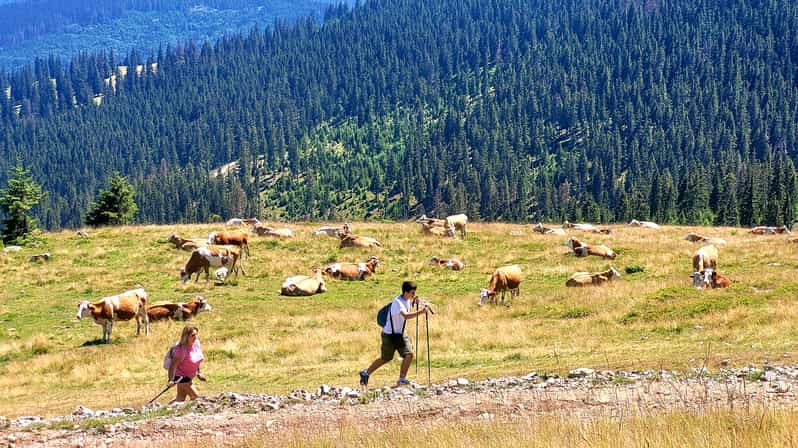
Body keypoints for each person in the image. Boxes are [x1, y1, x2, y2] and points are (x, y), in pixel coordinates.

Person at [360, 281, 429, 387]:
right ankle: (365, 373)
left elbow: (408, 305)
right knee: (385, 358)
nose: (413, 295)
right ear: (405, 292)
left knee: (409, 354)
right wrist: (421, 312)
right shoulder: (397, 302)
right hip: (389, 335)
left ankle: (402, 378)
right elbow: (405, 316)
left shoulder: (406, 300)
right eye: (412, 293)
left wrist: (415, 301)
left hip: (400, 333)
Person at [167, 325, 206, 404]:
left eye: (196, 334)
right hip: (181, 378)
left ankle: (164, 410)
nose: (195, 337)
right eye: (192, 335)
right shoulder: (181, 350)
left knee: (180, 399)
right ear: (186, 336)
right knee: (195, 397)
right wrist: (171, 380)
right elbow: (172, 366)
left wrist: (199, 372)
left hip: (189, 377)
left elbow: (196, 359)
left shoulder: (196, 344)